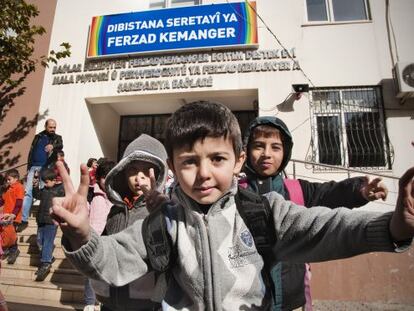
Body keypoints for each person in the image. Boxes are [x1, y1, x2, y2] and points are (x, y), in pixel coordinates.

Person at [52, 101, 414, 310]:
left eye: (218, 159)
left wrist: (393, 226)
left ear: (239, 161)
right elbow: (113, 261)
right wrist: (83, 236)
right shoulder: (160, 223)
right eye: (190, 161)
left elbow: (327, 228)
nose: (204, 174)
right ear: (174, 168)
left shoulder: (265, 212)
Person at [240, 116, 388, 310]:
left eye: (275, 147)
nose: (266, 154)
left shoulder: (298, 190)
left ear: (285, 153)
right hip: (246, 301)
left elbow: (331, 193)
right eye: (258, 146)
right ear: (246, 151)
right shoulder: (234, 193)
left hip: (291, 300)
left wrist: (359, 190)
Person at [87, 134, 167, 311]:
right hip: (109, 302)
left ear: (161, 173)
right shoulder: (115, 210)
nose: (139, 177)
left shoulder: (165, 210)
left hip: (146, 304)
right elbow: (103, 251)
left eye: (148, 170)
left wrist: (162, 213)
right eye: (132, 170)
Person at [20, 119, 63, 232]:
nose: (53, 129)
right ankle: (24, 219)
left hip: (46, 169)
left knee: (46, 193)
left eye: (54, 127)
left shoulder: (57, 138)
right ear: (45, 126)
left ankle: (46, 219)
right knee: (28, 192)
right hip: (33, 168)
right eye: (50, 127)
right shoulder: (38, 136)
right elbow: (31, 152)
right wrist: (29, 167)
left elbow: (60, 145)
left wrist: (52, 146)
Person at [83, 159, 115, 311]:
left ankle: (104, 303)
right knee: (91, 273)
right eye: (104, 177)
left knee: (108, 274)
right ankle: (90, 303)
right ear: (98, 177)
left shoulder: (119, 195)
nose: (107, 181)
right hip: (93, 238)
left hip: (112, 239)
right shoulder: (91, 193)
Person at [33, 168, 65, 281]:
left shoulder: (60, 190)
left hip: (52, 221)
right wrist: (35, 185)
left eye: (47, 182)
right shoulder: (44, 190)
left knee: (47, 242)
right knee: (39, 241)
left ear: (54, 180)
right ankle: (49, 257)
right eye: (44, 182)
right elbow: (36, 194)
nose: (45, 184)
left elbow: (65, 203)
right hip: (41, 219)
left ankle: (45, 263)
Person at [0, 169, 24, 264]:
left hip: (13, 217)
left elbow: (19, 202)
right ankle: (8, 249)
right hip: (5, 217)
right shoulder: (8, 189)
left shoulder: (19, 187)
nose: (7, 181)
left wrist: (14, 214)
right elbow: (2, 200)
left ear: (16, 178)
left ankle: (14, 251)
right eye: (7, 180)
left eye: (9, 179)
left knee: (12, 235)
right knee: (6, 234)